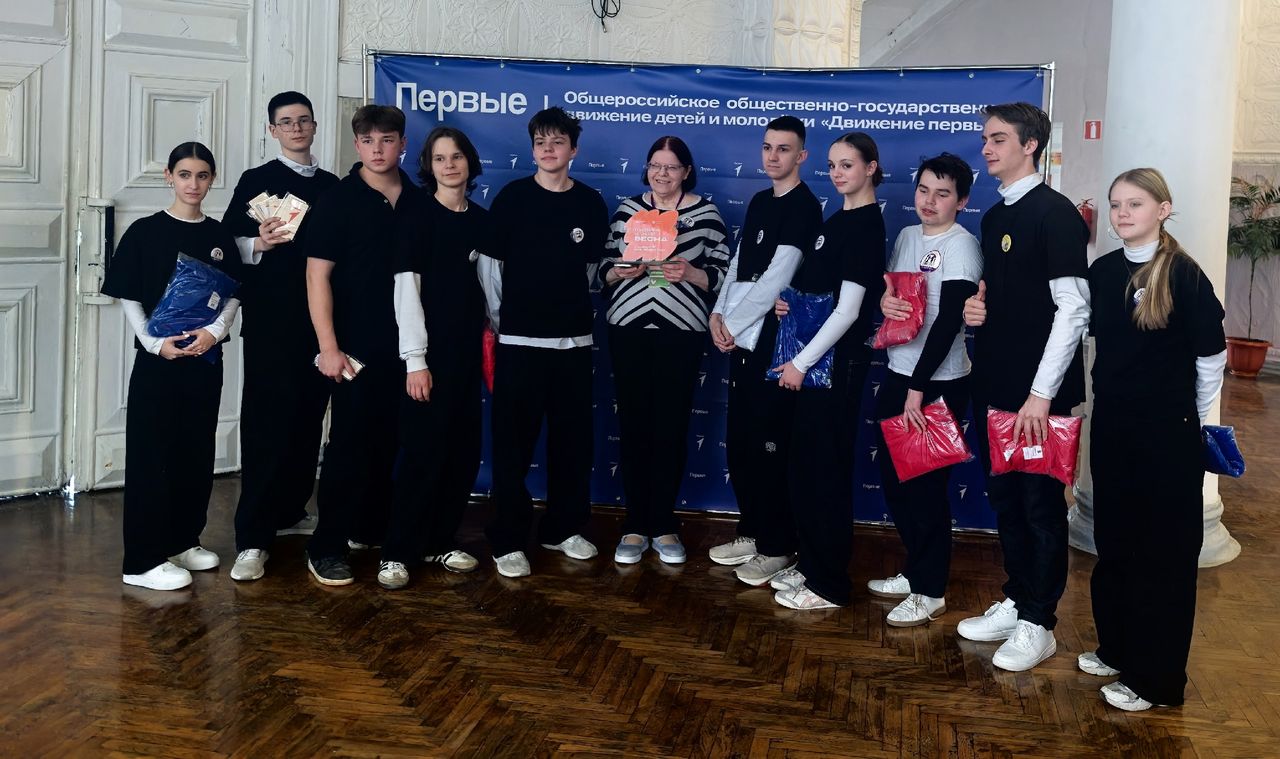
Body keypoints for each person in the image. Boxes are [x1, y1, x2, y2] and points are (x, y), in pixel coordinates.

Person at [1083, 168, 1226, 711]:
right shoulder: (1103, 271)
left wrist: (1188, 418)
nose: (1123, 214)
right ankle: (1117, 649)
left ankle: (1156, 680)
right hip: (1113, 427)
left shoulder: (1184, 275)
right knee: (1115, 541)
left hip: (1168, 435)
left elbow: (1210, 358)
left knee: (1162, 556)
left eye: (1135, 204)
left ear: (1163, 209)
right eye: (1116, 204)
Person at [955, 102, 1091, 671]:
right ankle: (1017, 598)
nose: (986, 148)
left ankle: (1040, 621)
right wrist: (976, 311)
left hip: (1040, 397)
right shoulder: (994, 216)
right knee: (1006, 500)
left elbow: (1073, 309)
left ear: (1030, 145)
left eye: (998, 139)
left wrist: (1040, 394)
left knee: (1039, 506)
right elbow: (1000, 296)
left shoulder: (1055, 214)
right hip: (995, 384)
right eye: (985, 138)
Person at [103, 142, 244, 591]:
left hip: (204, 359)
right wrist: (152, 343)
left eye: (202, 175)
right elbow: (128, 294)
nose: (193, 184)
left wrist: (214, 333)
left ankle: (183, 541)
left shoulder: (219, 235)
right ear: (168, 176)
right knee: (152, 456)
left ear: (212, 179)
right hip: (158, 362)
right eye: (185, 174)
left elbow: (233, 293)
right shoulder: (145, 231)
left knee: (196, 452)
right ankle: (142, 560)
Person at [479, 107, 609, 578]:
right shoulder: (512, 198)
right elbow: (490, 269)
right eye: (540, 142)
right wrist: (504, 322)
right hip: (518, 343)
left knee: (572, 444)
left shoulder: (590, 203)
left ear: (574, 150)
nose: (548, 149)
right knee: (512, 447)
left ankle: (563, 528)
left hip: (573, 345)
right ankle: (508, 538)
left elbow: (593, 272)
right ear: (532, 149)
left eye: (557, 142)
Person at [764, 132, 886, 609]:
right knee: (806, 469)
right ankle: (811, 564)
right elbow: (819, 293)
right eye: (832, 165)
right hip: (813, 367)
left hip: (833, 369)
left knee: (826, 473)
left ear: (870, 168)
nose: (837, 173)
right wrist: (788, 306)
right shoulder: (836, 219)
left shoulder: (866, 226)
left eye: (847, 165)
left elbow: (849, 311)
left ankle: (828, 583)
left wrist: (800, 362)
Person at [223, 91, 339, 583]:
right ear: (272, 130)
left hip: (322, 325)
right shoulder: (257, 181)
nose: (296, 128)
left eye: (303, 120)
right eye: (286, 122)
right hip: (272, 323)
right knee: (267, 424)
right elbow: (223, 243)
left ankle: (291, 511)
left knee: (308, 420)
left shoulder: (333, 186)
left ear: (315, 126)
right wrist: (258, 241)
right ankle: (253, 537)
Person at [599, 135, 731, 565]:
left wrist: (692, 273)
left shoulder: (706, 214)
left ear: (686, 171)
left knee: (671, 427)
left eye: (671, 167)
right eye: (655, 165)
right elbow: (601, 268)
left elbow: (725, 274)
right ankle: (635, 524)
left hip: (681, 332)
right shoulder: (627, 210)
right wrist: (620, 271)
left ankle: (664, 524)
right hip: (628, 329)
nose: (662, 173)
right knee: (633, 425)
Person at [862, 154, 982, 623]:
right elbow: (896, 293)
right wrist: (885, 301)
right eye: (924, 190)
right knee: (895, 482)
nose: (930, 201)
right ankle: (916, 571)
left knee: (927, 489)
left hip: (938, 383)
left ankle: (931, 591)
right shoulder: (908, 236)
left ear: (962, 201)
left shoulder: (962, 246)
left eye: (943, 193)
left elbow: (949, 321)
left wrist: (918, 388)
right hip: (899, 372)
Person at [304, 105, 419, 586]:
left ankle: (368, 531)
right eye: (368, 140)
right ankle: (326, 546)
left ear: (402, 144)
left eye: (387, 139)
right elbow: (317, 276)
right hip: (353, 348)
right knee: (348, 447)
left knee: (391, 444)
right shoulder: (337, 200)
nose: (377, 149)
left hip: (409, 349)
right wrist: (328, 347)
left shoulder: (419, 199)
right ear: (357, 145)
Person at [709, 115, 823, 586]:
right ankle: (753, 531)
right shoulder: (758, 201)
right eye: (767, 147)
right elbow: (740, 264)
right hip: (741, 341)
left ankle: (778, 545)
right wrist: (717, 314)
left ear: (802, 156)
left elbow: (778, 275)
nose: (773, 156)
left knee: (769, 443)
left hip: (775, 345)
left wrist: (732, 323)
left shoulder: (804, 206)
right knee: (741, 442)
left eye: (784, 149)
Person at [376, 127, 489, 589]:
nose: (449, 165)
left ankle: (440, 541)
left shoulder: (481, 220)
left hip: (467, 357)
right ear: (429, 166)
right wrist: (415, 360)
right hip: (427, 358)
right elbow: (407, 290)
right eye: (440, 158)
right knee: (421, 456)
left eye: (456, 156)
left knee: (461, 454)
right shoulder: (417, 217)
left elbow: (491, 288)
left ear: (469, 162)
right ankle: (396, 553)